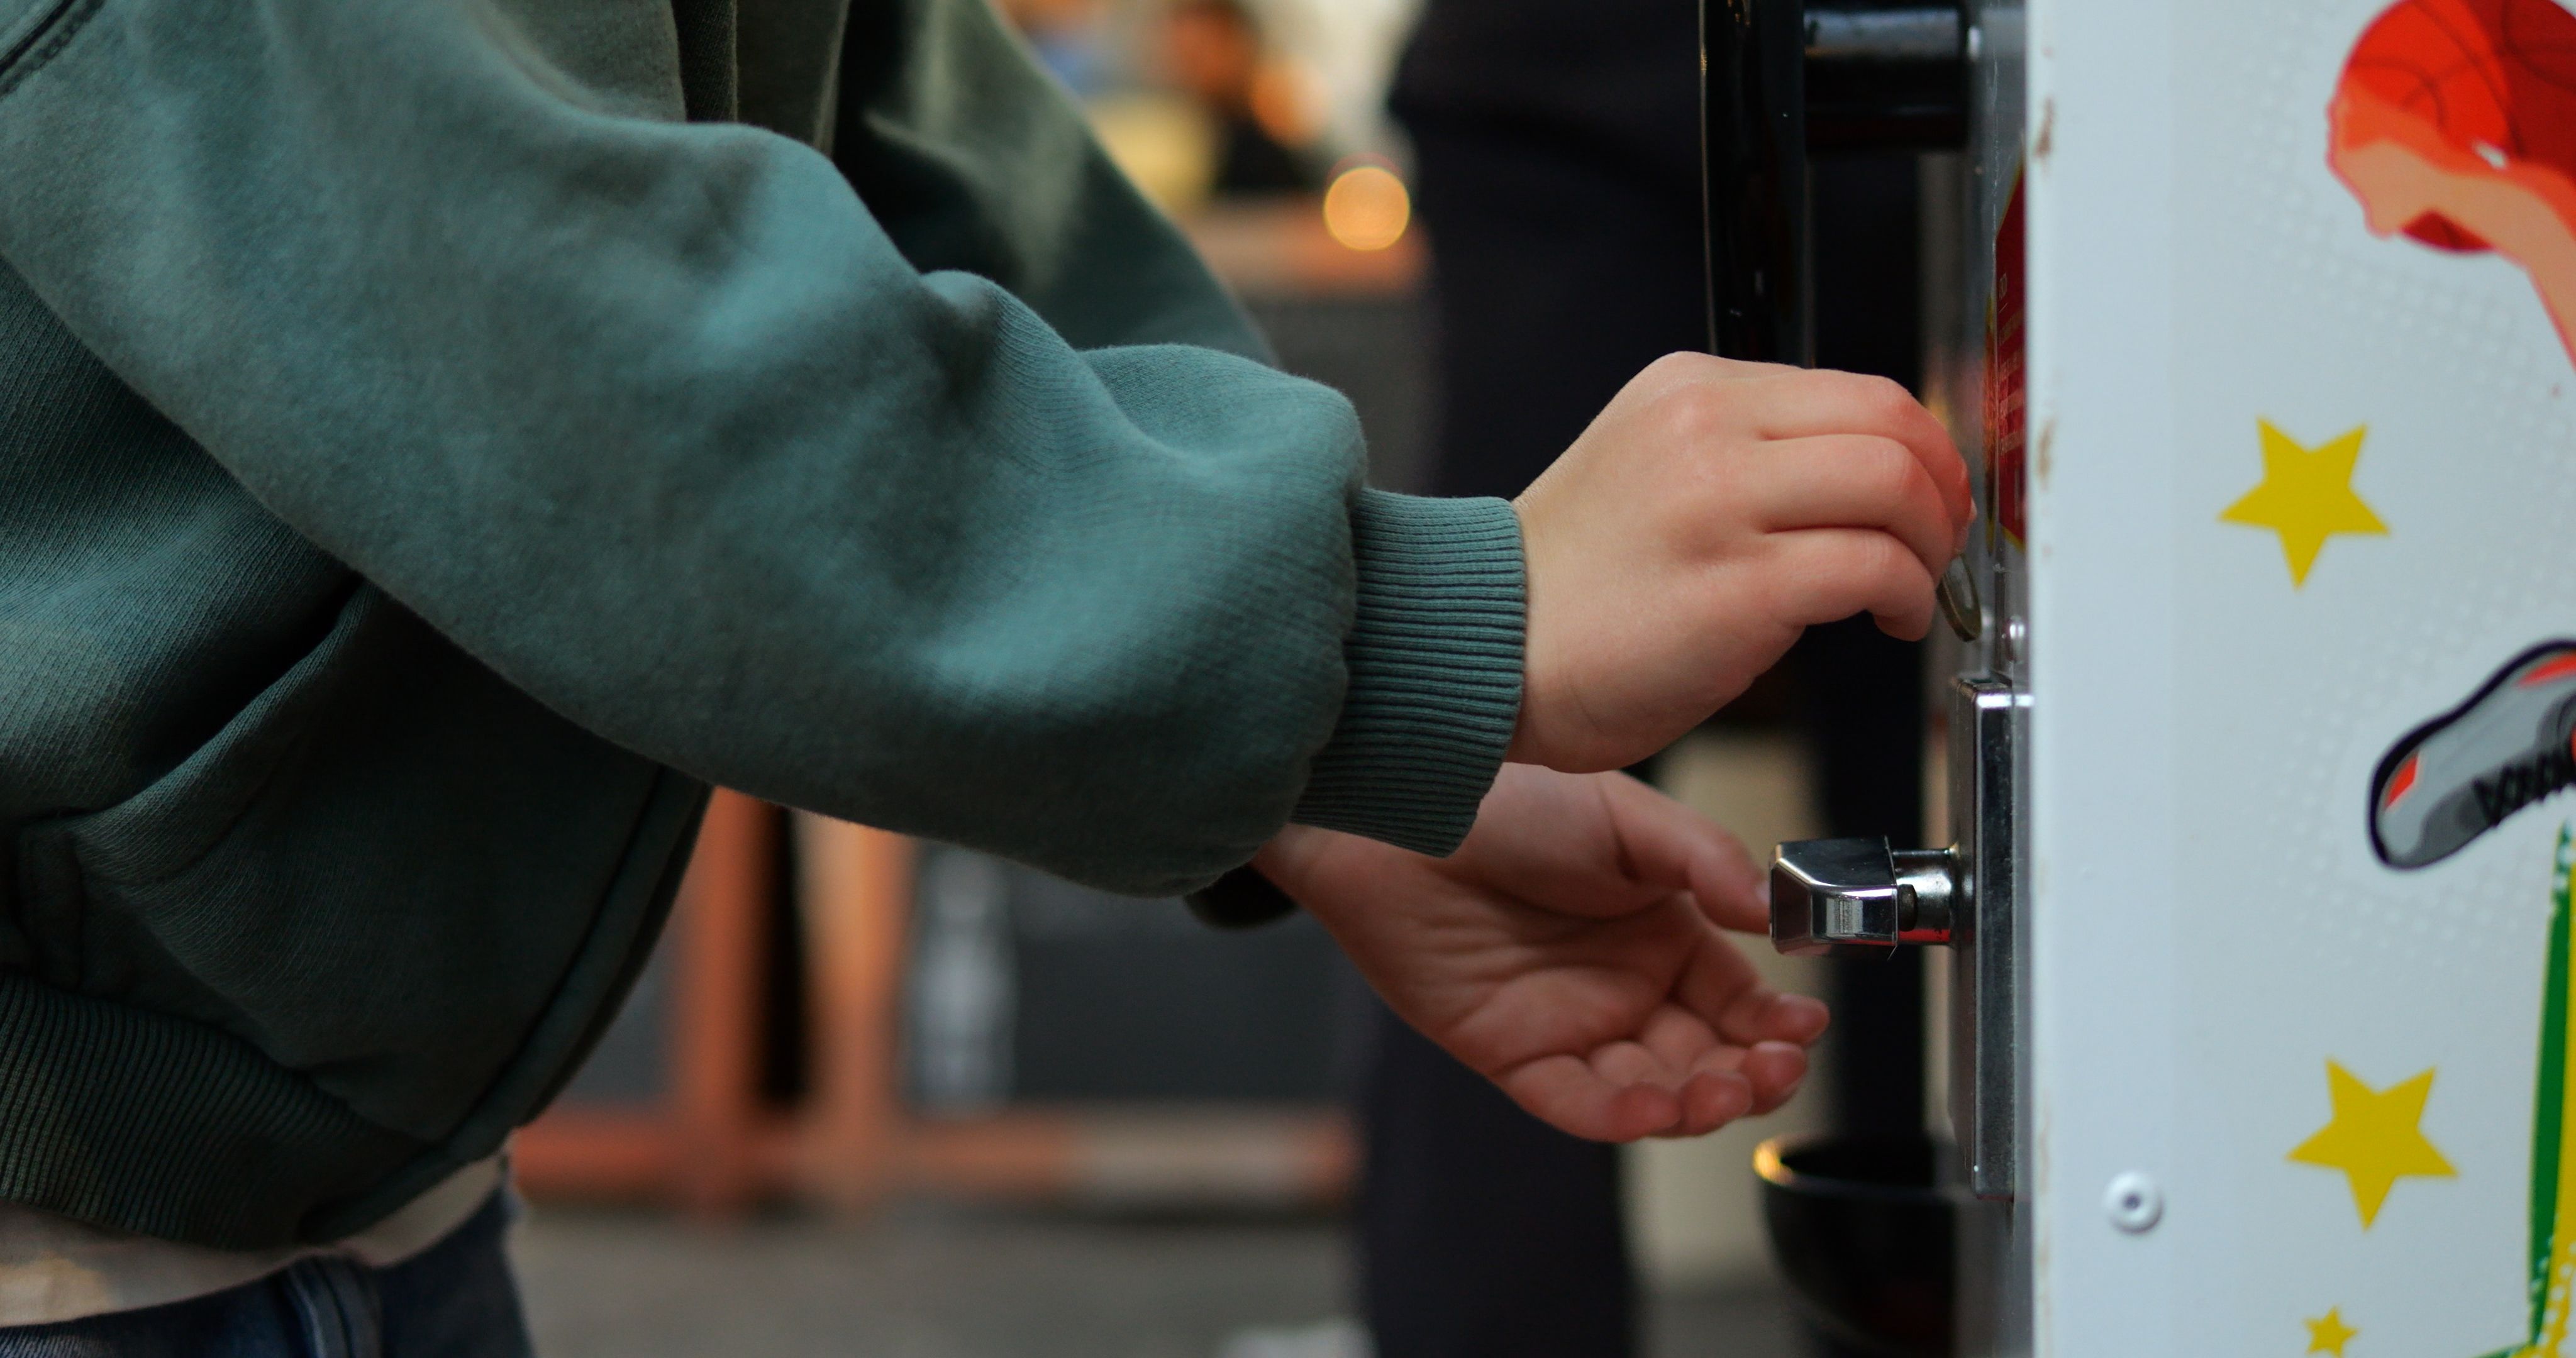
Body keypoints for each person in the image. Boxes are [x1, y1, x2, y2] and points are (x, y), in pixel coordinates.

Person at [0, 0, 1970, 1350]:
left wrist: (1306, 739)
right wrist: (1398, 629)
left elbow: (887, 123)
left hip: (349, 1180)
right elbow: (523, 296)